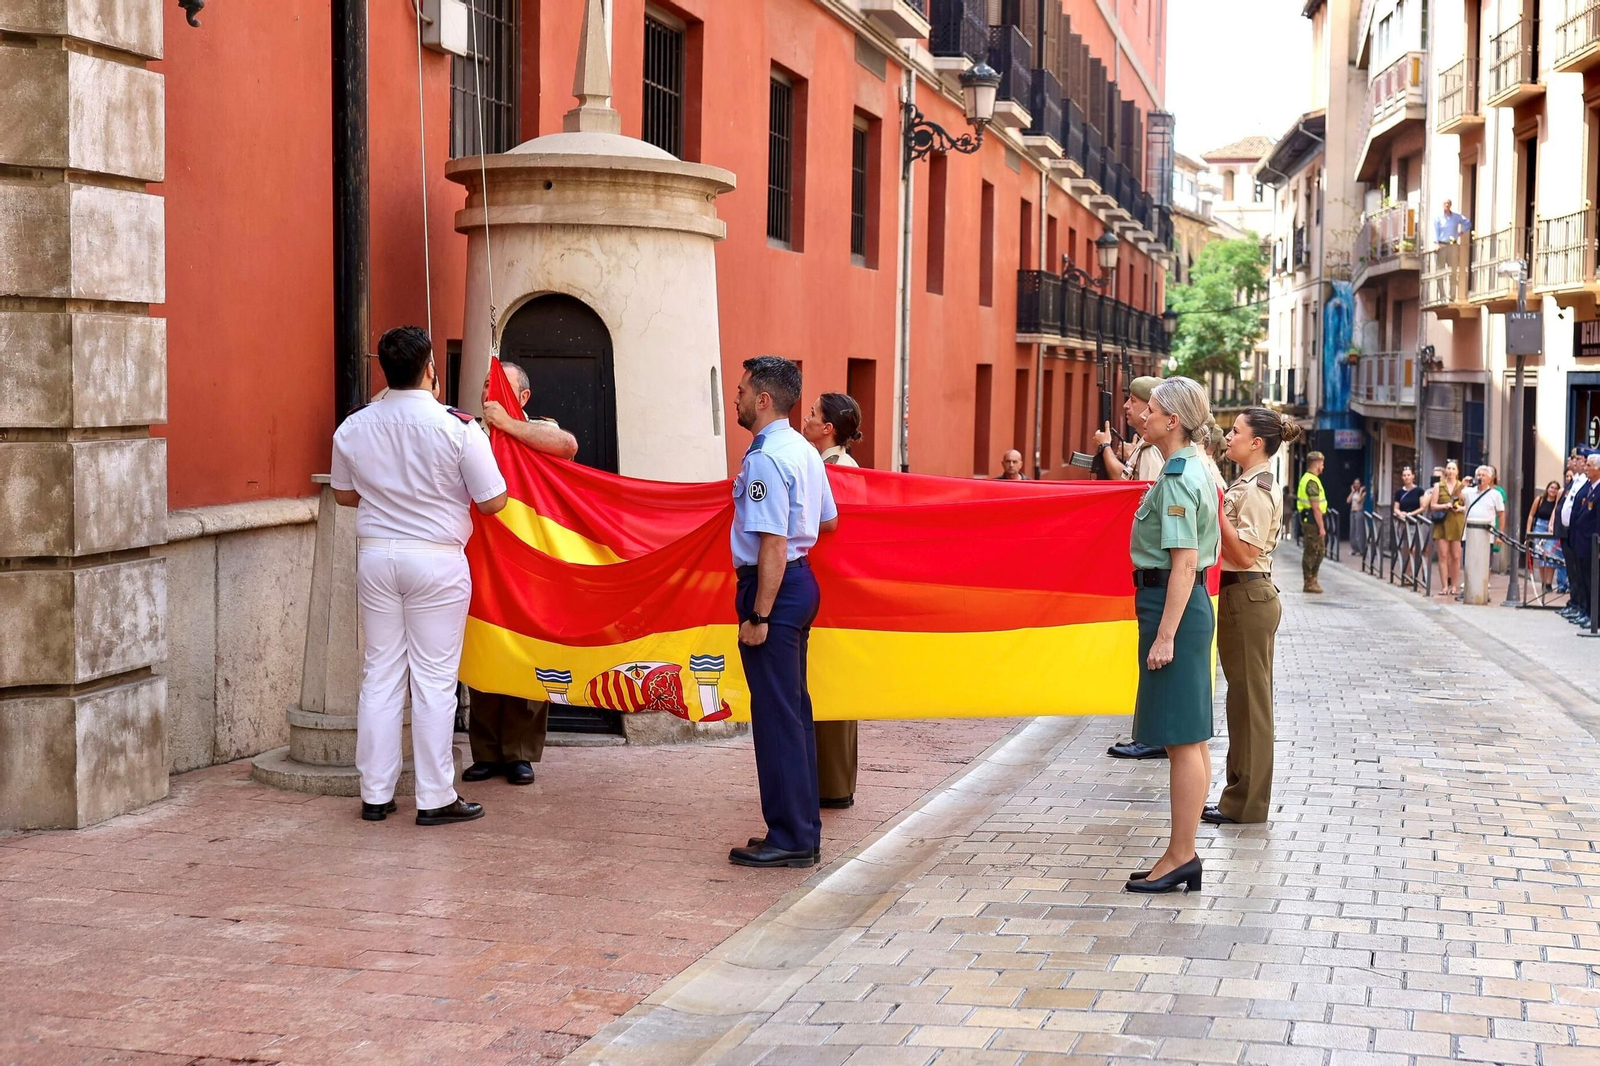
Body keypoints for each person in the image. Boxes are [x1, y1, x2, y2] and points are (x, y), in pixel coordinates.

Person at [330, 326, 508, 825]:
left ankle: (376, 794)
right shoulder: (458, 426)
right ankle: (434, 796)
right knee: (433, 679)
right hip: (435, 557)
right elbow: (494, 500)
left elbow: (344, 495)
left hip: (377, 554)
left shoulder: (355, 426)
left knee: (381, 673)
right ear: (431, 368)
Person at [727, 356, 839, 869]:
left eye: (744, 389)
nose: (738, 396)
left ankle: (790, 837)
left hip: (774, 588)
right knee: (793, 714)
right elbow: (828, 521)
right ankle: (798, 829)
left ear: (764, 398)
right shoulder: (804, 451)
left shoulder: (767, 458)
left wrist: (759, 615)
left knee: (777, 718)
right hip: (800, 580)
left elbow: (771, 542)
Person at [1122, 377, 1220, 894]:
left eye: (1151, 409)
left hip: (1172, 604)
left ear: (1173, 421)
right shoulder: (1191, 466)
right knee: (1191, 736)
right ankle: (1182, 852)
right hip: (1182, 605)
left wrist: (1165, 636)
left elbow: (1182, 564)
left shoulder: (1180, 475)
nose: (1143, 415)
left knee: (1182, 740)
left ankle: (1181, 854)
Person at [463, 362, 579, 787]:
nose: (489, 393)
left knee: (530, 655)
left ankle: (520, 753)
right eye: (486, 385)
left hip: (533, 563)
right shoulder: (469, 430)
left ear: (523, 398)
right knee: (485, 649)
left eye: (500, 387)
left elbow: (567, 445)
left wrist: (509, 425)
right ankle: (487, 752)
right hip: (484, 560)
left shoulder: (538, 428)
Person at [1203, 407, 1295, 827]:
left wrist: (1218, 510)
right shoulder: (1243, 481)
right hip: (1241, 596)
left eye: (1235, 431)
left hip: (1249, 593)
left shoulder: (1257, 488)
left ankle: (1247, 803)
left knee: (1251, 704)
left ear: (1256, 442)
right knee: (1240, 701)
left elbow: (1243, 553)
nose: (1228, 435)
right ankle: (1236, 796)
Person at [800, 391, 863, 810]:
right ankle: (830, 780)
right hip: (829, 587)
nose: (805, 419)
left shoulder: (838, 469)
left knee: (829, 685)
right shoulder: (832, 465)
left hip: (831, 589)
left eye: (812, 415)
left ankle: (833, 784)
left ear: (828, 429)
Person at [1106, 377, 1171, 763]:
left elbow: (1141, 496)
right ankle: (1152, 732)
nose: (1133, 410)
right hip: (1153, 570)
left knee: (1154, 655)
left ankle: (1153, 735)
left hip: (1159, 572)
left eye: (1139, 403)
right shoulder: (1150, 449)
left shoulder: (1160, 458)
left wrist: (1105, 450)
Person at [1093, 376, 1165, 482]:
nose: (1125, 405)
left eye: (1133, 400)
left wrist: (1105, 446)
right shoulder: (1147, 443)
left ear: (1149, 406)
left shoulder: (1151, 449)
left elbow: (1145, 492)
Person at [1423, 459, 1467, 596]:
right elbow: (1433, 505)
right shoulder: (1438, 486)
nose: (1450, 471)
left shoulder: (1462, 487)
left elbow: (1467, 505)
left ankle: (1454, 586)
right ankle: (1444, 586)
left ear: (1457, 472)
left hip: (1456, 522)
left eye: (1453, 469)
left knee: (1456, 556)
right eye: (1448, 468)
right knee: (1442, 555)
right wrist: (1444, 506)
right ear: (1445, 471)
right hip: (1442, 523)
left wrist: (1460, 508)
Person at [1566, 453, 1600, 627]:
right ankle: (1586, 612)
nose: (1586, 469)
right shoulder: (1591, 488)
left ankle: (1594, 616)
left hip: (1592, 543)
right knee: (1584, 579)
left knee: (1592, 580)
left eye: (1590, 466)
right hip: (1582, 541)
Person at [1296, 451, 1329, 594]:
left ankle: (1313, 580)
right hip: (1312, 521)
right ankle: (1309, 581)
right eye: (1322, 464)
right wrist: (1321, 527)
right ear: (1316, 464)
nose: (1323, 466)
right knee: (1313, 551)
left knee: (1319, 551)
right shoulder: (1311, 481)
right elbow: (1315, 507)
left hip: (1311, 520)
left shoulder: (1311, 479)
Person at [1529, 480, 1563, 593]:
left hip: (1551, 528)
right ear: (1547, 488)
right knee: (1540, 556)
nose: (1553, 490)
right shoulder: (1540, 500)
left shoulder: (1558, 502)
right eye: (1551, 487)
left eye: (1555, 488)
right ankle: (1543, 581)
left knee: (1550, 555)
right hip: (1539, 526)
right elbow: (1531, 515)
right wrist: (1528, 530)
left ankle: (1549, 582)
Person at [1393, 465, 1425, 578]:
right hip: (1402, 522)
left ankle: (1413, 572)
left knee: (1414, 548)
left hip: (1414, 522)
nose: (1407, 477)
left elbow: (1423, 507)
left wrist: (1411, 514)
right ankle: (1406, 572)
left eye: (1408, 475)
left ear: (1413, 476)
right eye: (1404, 475)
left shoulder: (1419, 491)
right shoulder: (1399, 493)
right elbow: (1396, 507)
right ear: (1402, 477)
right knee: (1404, 547)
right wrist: (1400, 513)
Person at [1346, 478, 1368, 556]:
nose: (1356, 485)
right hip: (1352, 512)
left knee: (1359, 531)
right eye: (1355, 483)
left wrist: (1361, 491)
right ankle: (1354, 549)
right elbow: (1348, 501)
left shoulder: (1363, 493)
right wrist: (1352, 491)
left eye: (1358, 483)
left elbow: (1359, 500)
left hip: (1359, 511)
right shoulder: (1353, 493)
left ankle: (1361, 549)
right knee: (1352, 530)